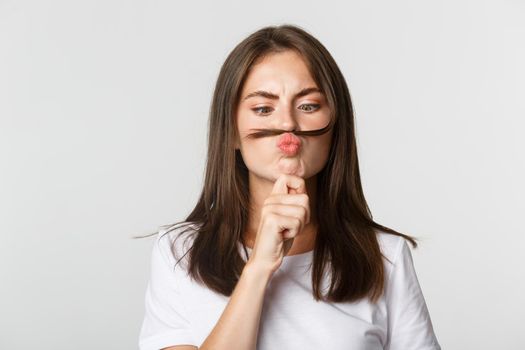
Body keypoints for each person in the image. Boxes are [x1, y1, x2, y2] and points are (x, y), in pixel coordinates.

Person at [137, 24, 441, 350]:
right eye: (263, 109)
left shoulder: (385, 257)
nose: (288, 124)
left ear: (335, 127)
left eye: (308, 106)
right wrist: (259, 268)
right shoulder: (179, 252)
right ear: (231, 132)